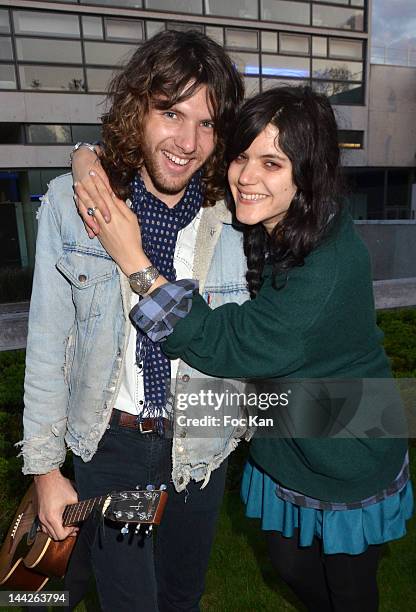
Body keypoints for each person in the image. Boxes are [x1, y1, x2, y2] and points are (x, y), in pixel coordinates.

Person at [88, 85, 413, 612]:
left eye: (272, 163)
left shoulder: (327, 262)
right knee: (291, 566)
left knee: (348, 590)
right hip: (288, 426)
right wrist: (83, 157)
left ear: (307, 173)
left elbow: (226, 344)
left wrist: (136, 264)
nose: (245, 176)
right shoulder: (275, 222)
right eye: (241, 156)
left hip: (349, 437)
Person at [18, 30, 253, 612]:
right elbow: (48, 343)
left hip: (200, 443)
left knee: (180, 598)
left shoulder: (235, 215)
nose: (187, 141)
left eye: (207, 123)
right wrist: (46, 470)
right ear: (136, 111)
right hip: (114, 447)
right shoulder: (74, 208)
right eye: (170, 112)